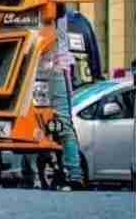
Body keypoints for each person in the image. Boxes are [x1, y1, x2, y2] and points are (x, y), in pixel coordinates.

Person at [50, 11, 85, 191]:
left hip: (54, 67)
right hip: (51, 66)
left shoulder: (54, 7)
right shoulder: (56, 6)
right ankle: (72, 173)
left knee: (61, 123)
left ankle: (73, 174)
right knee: (61, 124)